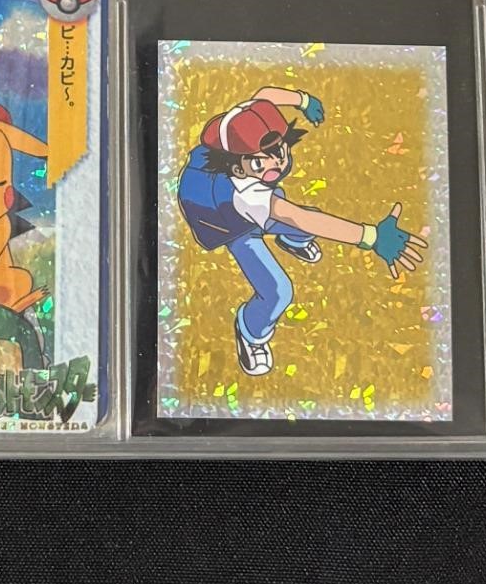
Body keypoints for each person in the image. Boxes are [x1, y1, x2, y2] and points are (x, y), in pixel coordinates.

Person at [176, 87, 426, 377]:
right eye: (260, 161)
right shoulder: (246, 196)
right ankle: (251, 331)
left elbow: (265, 95)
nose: (278, 163)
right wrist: (371, 237)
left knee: (303, 218)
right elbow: (299, 218)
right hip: (226, 221)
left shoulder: (246, 118)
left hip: (242, 197)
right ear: (240, 169)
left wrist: (303, 100)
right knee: (277, 291)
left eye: (280, 151)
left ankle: (290, 241)